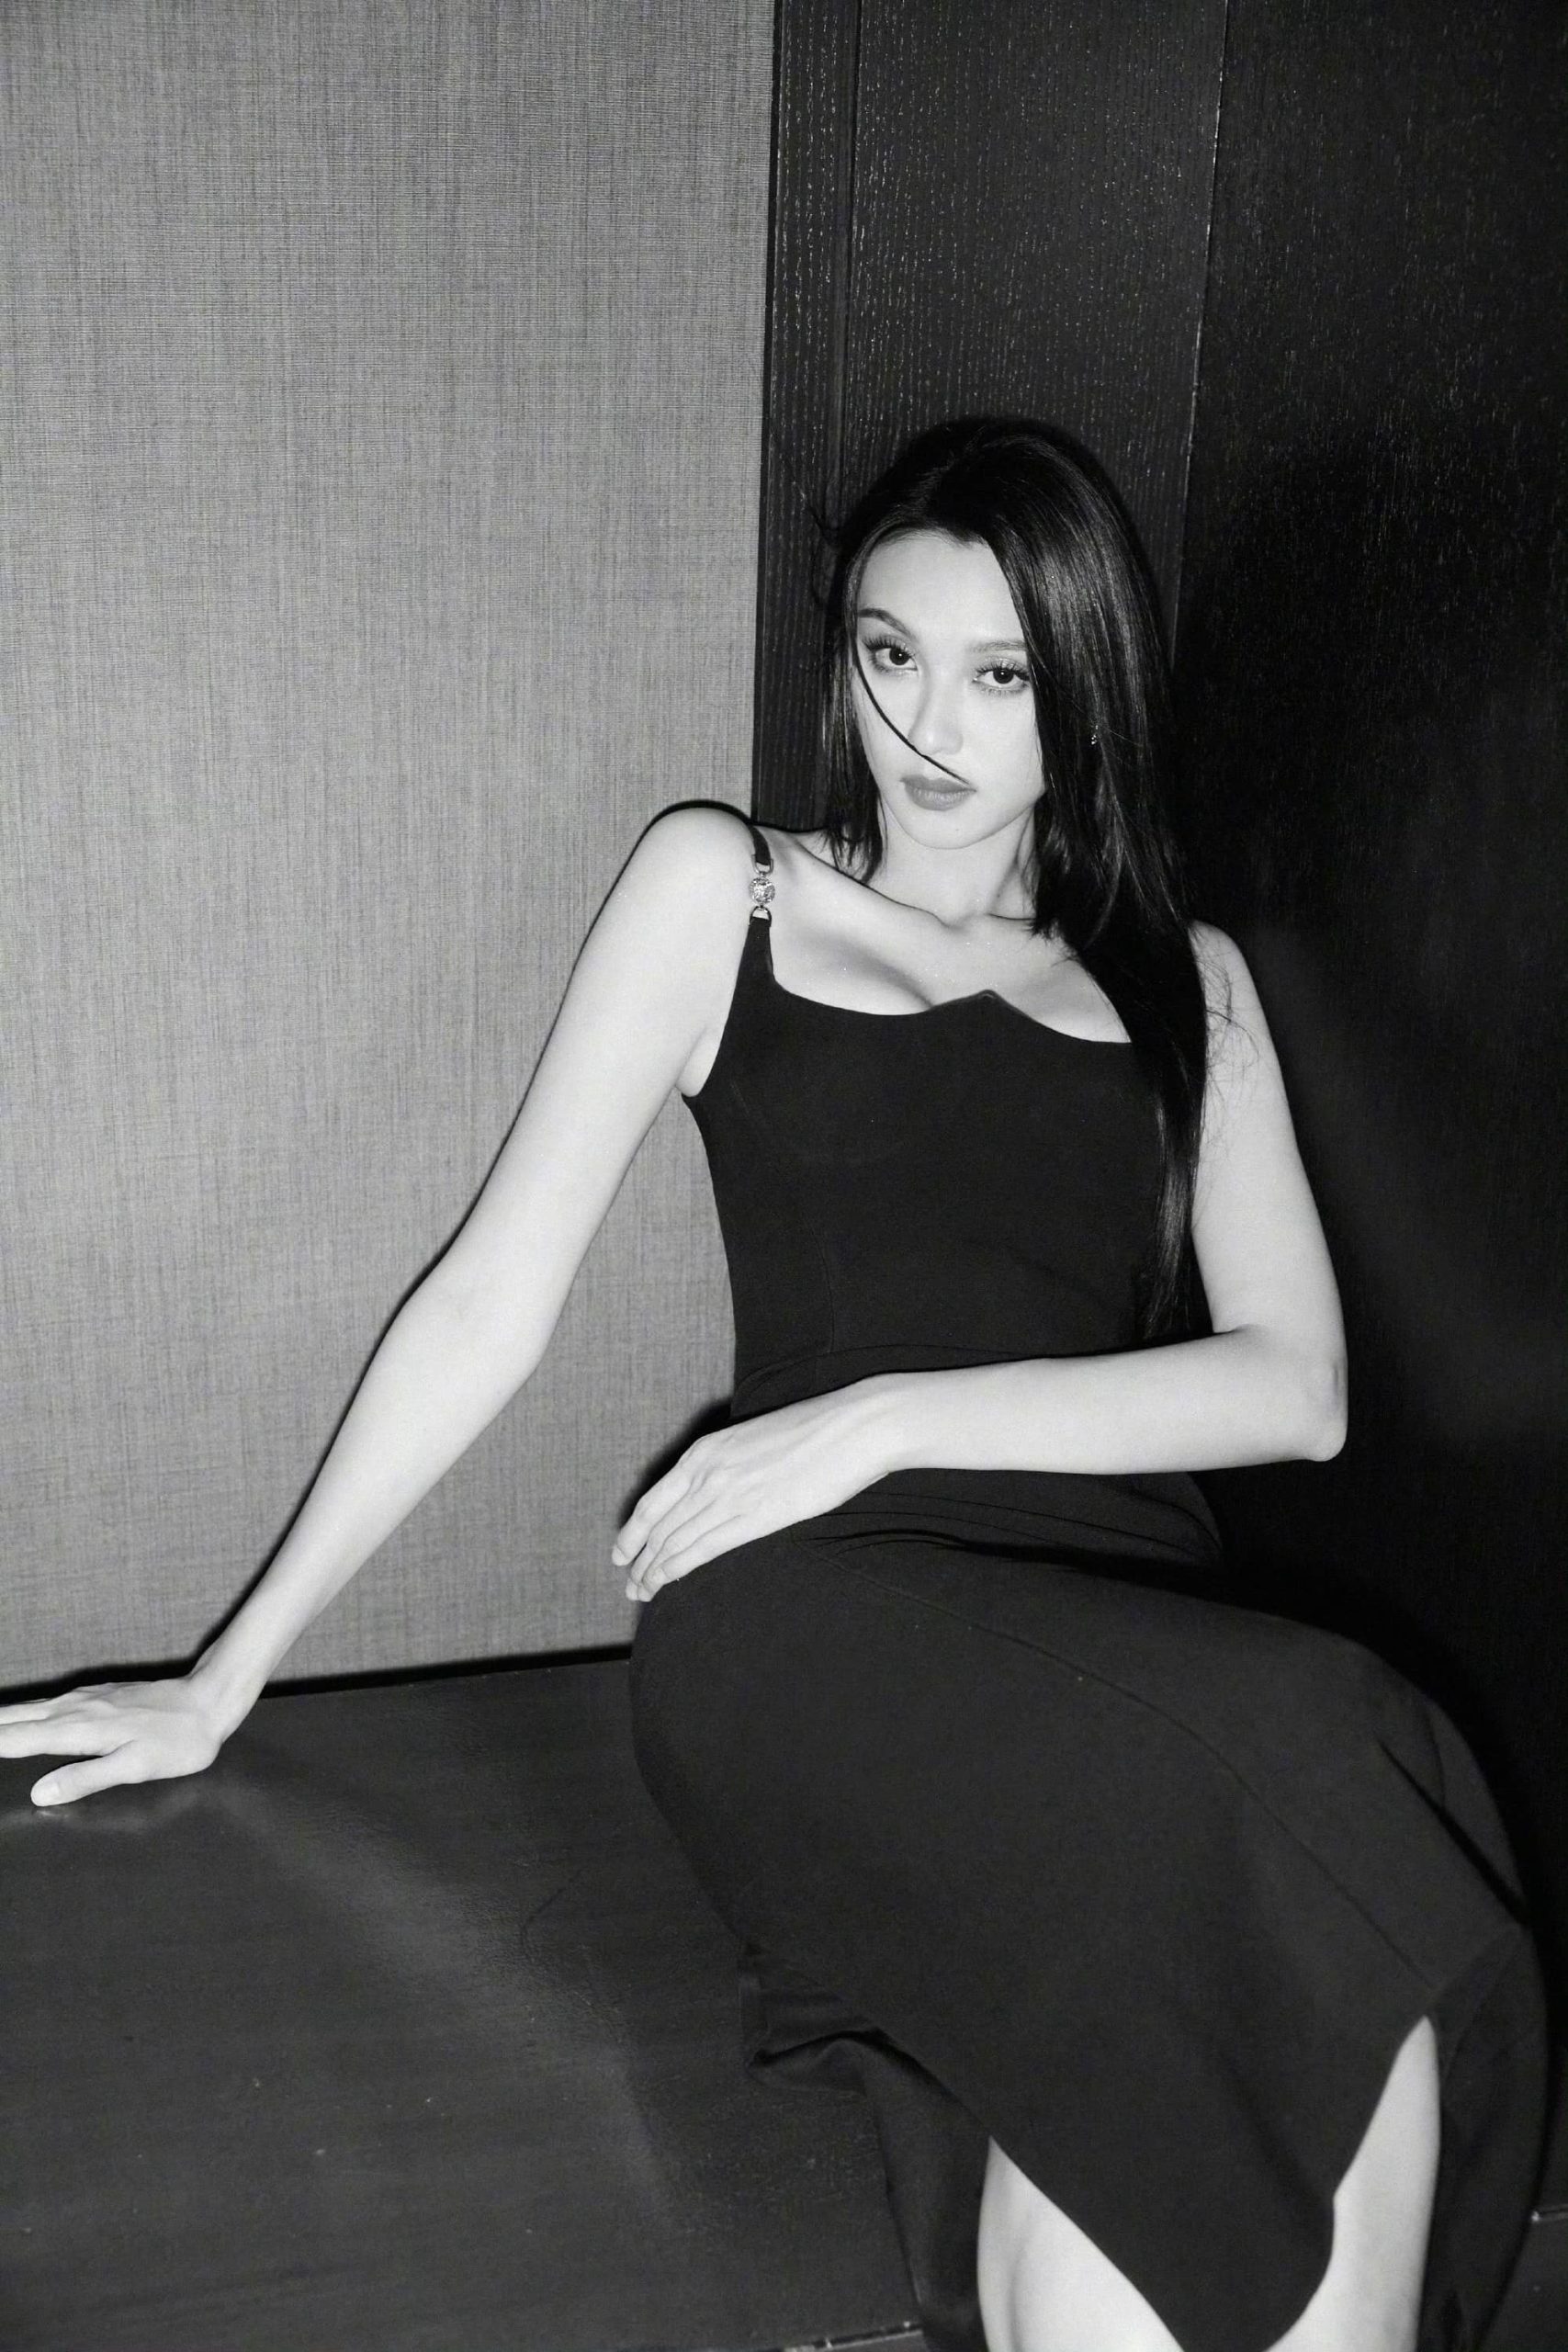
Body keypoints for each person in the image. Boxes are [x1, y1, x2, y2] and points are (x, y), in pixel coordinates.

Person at [0, 419, 1543, 2352]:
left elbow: (1295, 1388)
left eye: (999, 674)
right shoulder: (727, 888)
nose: (928, 724)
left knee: (1257, 1969)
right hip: (807, 1603)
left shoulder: (1186, 979)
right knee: (1329, 1748)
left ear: (1086, 691)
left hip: (1123, 1614)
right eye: (890, 653)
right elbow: (488, 1298)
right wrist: (228, 1670)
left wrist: (880, 1415)